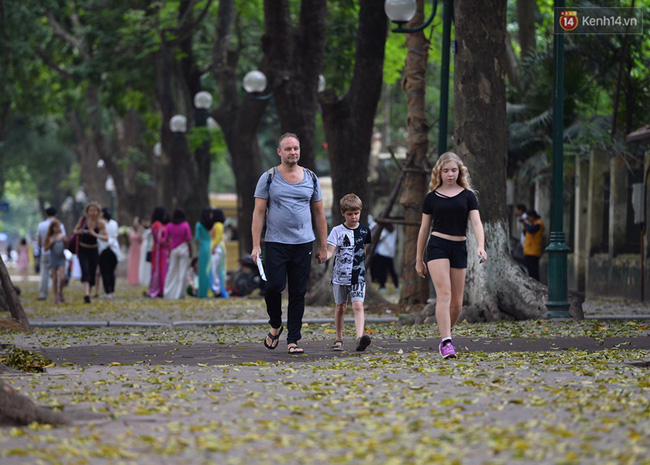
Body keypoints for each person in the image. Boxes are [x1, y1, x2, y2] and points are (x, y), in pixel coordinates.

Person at [251, 132, 328, 355]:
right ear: (279, 152)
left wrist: (323, 246)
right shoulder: (269, 177)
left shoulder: (311, 178)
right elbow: (258, 213)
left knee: (298, 292)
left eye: (296, 148)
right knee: (273, 287)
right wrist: (256, 245)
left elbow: (319, 213)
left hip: (303, 244)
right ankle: (276, 324)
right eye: (288, 149)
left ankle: (293, 339)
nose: (293, 152)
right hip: (275, 243)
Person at [415, 152, 487, 360]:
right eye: (446, 170)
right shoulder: (431, 198)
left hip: (460, 247)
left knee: (456, 303)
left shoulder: (468, 196)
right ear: (439, 172)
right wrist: (418, 259)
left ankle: (445, 334)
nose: (450, 174)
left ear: (460, 171)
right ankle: (447, 342)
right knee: (444, 294)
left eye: (454, 170)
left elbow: (476, 223)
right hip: (437, 246)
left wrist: (481, 246)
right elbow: (423, 229)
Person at [325, 194, 373, 352]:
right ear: (343, 214)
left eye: (356, 213)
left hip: (358, 275)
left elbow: (364, 251)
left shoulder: (365, 230)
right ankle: (339, 338)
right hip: (340, 276)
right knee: (340, 307)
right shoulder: (336, 231)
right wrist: (324, 256)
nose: (353, 217)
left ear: (360, 212)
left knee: (358, 305)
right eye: (350, 214)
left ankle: (360, 338)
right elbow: (330, 251)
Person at [73, 201, 108, 303]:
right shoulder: (83, 220)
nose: (92, 212)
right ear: (87, 212)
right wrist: (79, 231)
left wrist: (96, 235)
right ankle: (87, 294)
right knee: (85, 271)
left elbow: (106, 237)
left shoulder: (100, 223)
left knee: (92, 274)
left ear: (98, 212)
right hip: (83, 249)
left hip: (94, 250)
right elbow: (74, 230)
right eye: (90, 210)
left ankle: (89, 291)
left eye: (95, 210)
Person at [36, 207, 66, 300]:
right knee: (57, 275)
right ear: (55, 214)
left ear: (46, 214)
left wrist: (41, 247)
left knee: (44, 273)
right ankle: (57, 293)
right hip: (58, 252)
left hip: (45, 253)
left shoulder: (41, 225)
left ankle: (44, 293)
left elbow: (39, 239)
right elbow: (64, 238)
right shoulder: (60, 225)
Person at [164, 209, 193, 299]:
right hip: (184, 249)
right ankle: (179, 294)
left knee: (172, 271)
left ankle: (168, 292)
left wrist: (172, 242)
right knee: (182, 271)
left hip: (174, 250)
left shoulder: (169, 225)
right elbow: (188, 238)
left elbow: (165, 239)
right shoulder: (185, 225)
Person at [43, 219, 68, 304]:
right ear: (52, 228)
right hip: (53, 259)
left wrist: (64, 240)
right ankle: (55, 296)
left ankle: (61, 292)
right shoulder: (50, 237)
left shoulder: (62, 236)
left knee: (62, 277)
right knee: (54, 278)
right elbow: (45, 248)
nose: (58, 228)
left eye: (59, 227)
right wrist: (52, 242)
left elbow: (67, 246)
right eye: (56, 227)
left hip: (61, 258)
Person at [98, 208, 120, 299]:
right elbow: (115, 235)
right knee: (111, 272)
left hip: (103, 248)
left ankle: (107, 291)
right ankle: (112, 290)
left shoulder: (100, 223)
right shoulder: (114, 223)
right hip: (114, 249)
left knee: (105, 272)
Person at [148, 206, 169, 297]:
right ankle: (158, 289)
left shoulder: (157, 224)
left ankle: (160, 288)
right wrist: (169, 244)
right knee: (159, 270)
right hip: (159, 250)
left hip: (159, 249)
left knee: (161, 269)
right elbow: (159, 239)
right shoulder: (157, 224)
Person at [371, 222, 399, 291]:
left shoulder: (384, 231)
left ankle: (382, 286)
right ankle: (396, 285)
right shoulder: (394, 231)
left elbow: (379, 239)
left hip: (382, 253)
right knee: (391, 270)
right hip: (390, 253)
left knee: (382, 271)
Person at [195, 207, 214, 298]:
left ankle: (202, 293)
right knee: (210, 270)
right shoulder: (212, 225)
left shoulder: (199, 225)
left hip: (203, 247)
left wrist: (197, 248)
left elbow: (197, 238)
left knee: (202, 271)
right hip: (211, 246)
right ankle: (210, 292)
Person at [210, 208, 228, 298]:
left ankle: (217, 288)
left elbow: (218, 237)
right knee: (217, 269)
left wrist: (213, 247)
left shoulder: (217, 225)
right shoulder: (219, 225)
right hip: (219, 247)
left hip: (217, 248)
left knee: (215, 269)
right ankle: (218, 288)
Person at [523, 209, 545, 281]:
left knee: (534, 272)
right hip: (528, 251)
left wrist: (527, 223)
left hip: (534, 252)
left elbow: (531, 230)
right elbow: (525, 232)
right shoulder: (531, 224)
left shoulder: (538, 224)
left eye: (528, 217)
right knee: (529, 271)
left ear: (532, 216)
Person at [127, 217, 143, 286]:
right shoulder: (131, 231)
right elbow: (129, 241)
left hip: (138, 249)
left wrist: (139, 233)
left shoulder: (141, 230)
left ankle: (138, 279)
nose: (135, 223)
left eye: (136, 221)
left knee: (138, 264)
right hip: (132, 249)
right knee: (132, 264)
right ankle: (132, 279)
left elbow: (141, 241)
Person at [139, 219, 153, 286]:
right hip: (144, 246)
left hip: (148, 247)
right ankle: (143, 278)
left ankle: (147, 279)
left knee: (148, 264)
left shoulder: (151, 230)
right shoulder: (144, 230)